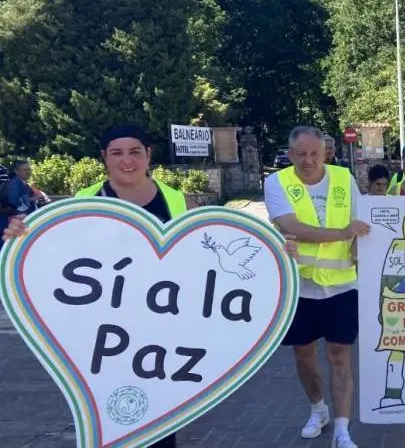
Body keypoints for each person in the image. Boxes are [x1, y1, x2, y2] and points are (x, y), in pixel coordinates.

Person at [1, 125, 299, 448]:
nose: (126, 160)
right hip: (102, 336)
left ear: (148, 156)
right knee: (106, 417)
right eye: (116, 152)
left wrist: (272, 254)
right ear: (104, 157)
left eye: (135, 152)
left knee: (158, 422)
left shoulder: (176, 200)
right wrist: (22, 236)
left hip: (162, 334)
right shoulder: (83, 201)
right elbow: (57, 257)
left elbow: (210, 256)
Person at [264, 126, 369, 446]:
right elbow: (293, 227)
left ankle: (342, 429)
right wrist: (343, 233)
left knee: (340, 356)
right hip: (301, 285)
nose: (308, 160)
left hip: (342, 284)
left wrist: (359, 247)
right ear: (290, 154)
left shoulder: (343, 178)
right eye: (301, 154)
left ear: (326, 152)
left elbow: (360, 224)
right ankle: (317, 409)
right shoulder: (276, 182)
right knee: (304, 355)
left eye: (315, 153)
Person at [0, 160, 44, 241]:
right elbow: (13, 201)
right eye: (25, 170)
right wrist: (34, 198)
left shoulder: (22, 183)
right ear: (16, 171)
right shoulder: (15, 183)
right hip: (17, 220)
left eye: (29, 169)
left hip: (20, 220)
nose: (28, 172)